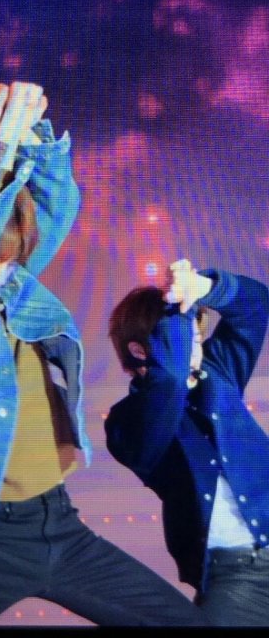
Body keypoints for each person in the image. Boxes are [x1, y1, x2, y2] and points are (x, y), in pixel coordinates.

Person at [0, 82, 208, 627]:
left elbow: (57, 204)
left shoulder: (13, 289)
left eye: (8, 260)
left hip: (60, 523)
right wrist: (1, 146)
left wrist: (28, 134)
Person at [105, 258, 269, 626]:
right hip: (235, 576)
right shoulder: (126, 423)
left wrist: (204, 288)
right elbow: (169, 380)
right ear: (139, 351)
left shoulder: (218, 373)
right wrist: (176, 305)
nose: (195, 348)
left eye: (195, 338)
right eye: (181, 339)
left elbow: (257, 306)